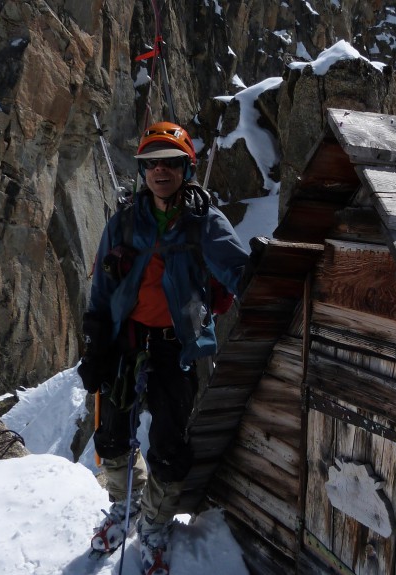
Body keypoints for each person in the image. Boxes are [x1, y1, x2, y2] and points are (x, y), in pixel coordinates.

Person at [77, 121, 251, 575]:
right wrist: (94, 344)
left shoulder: (204, 222)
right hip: (124, 342)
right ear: (142, 171)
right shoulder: (122, 224)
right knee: (112, 436)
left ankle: (154, 523)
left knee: (170, 445)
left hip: (178, 346)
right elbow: (101, 290)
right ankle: (125, 505)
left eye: (170, 163)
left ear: (185, 169)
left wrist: (268, 279)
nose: (160, 171)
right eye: (152, 163)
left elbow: (238, 271)